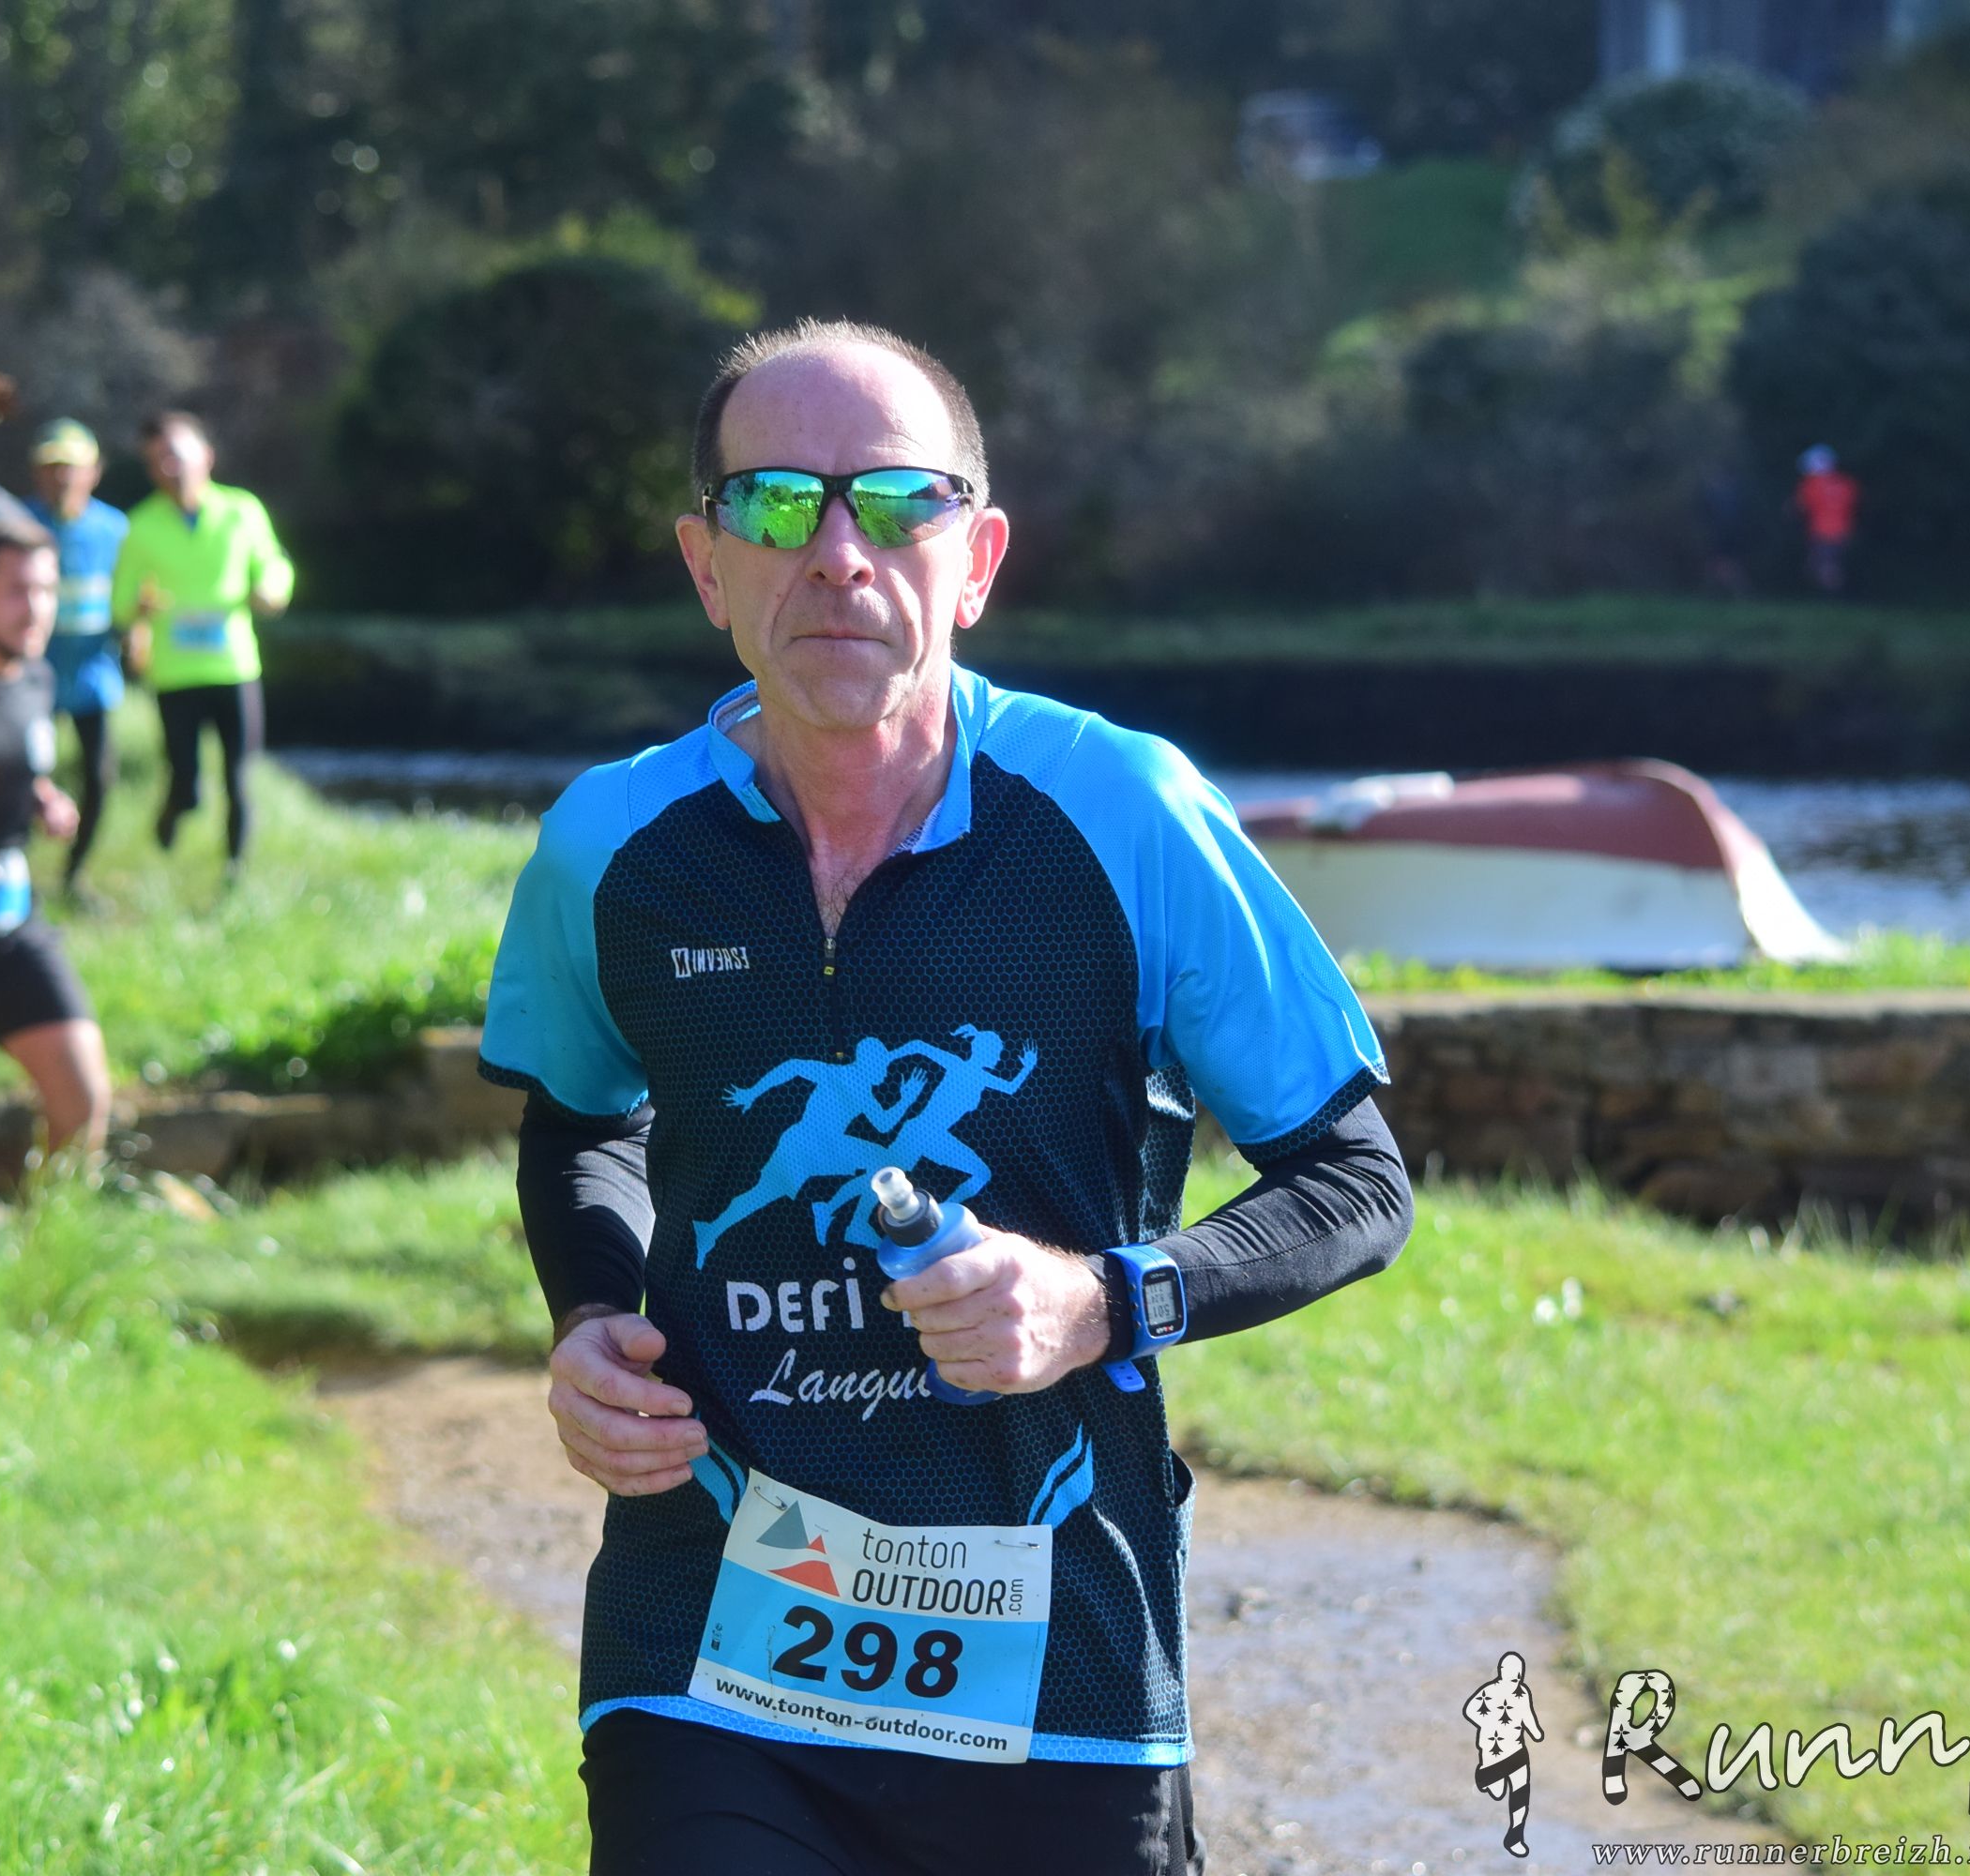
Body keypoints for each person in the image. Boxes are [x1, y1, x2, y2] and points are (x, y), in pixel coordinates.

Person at [480, 319, 1415, 1876]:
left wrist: (1100, 1301)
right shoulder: (612, 845)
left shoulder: (1124, 811)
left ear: (974, 561)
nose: (838, 553)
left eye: (900, 501)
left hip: (1060, 1667)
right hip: (713, 1640)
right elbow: (584, 1120)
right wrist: (588, 1321)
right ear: (708, 566)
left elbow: (1355, 1185)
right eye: (777, 503)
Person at [0, 516, 111, 1155]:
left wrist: (43, 798)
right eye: (18, 590)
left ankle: (56, 1220)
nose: (37, 609)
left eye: (48, 590)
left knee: (83, 1099)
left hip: (9, 917)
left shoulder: (36, 678)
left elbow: (24, 762)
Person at [110, 410, 296, 883]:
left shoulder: (242, 511)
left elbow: (274, 565)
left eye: (176, 454)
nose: (168, 467)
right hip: (175, 674)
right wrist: (138, 607)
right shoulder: (141, 526)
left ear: (206, 456)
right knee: (186, 783)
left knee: (240, 778)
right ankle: (169, 823)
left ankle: (234, 874)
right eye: (157, 460)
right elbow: (120, 602)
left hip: (234, 666)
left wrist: (272, 589)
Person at [23, 418, 129, 896]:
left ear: (94, 472)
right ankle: (18, 875)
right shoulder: (19, 525)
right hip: (33, 679)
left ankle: (74, 877)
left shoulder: (116, 530)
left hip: (93, 676)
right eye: (53, 467)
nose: (63, 477)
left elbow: (135, 592)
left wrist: (138, 631)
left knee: (99, 779)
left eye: (73, 467)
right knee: (24, 776)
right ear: (37, 472)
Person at [1795, 445, 1859, 596]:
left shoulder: (1812, 485)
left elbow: (1800, 506)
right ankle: (1828, 594)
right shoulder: (1846, 484)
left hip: (1821, 531)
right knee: (1822, 565)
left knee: (1826, 567)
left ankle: (1834, 597)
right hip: (1843, 532)